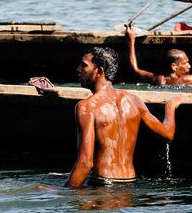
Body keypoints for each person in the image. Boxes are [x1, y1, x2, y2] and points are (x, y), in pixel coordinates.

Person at [67, 46, 180, 188]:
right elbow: (168, 134)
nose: (78, 69)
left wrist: (62, 192)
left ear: (99, 71)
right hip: (129, 185)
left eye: (84, 65)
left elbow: (85, 163)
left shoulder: (86, 107)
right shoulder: (134, 100)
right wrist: (170, 107)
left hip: (102, 184)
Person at [126, 26, 192, 85]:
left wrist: (131, 41)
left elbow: (135, 69)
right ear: (174, 66)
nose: (189, 66)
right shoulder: (186, 80)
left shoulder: (158, 79)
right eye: (185, 63)